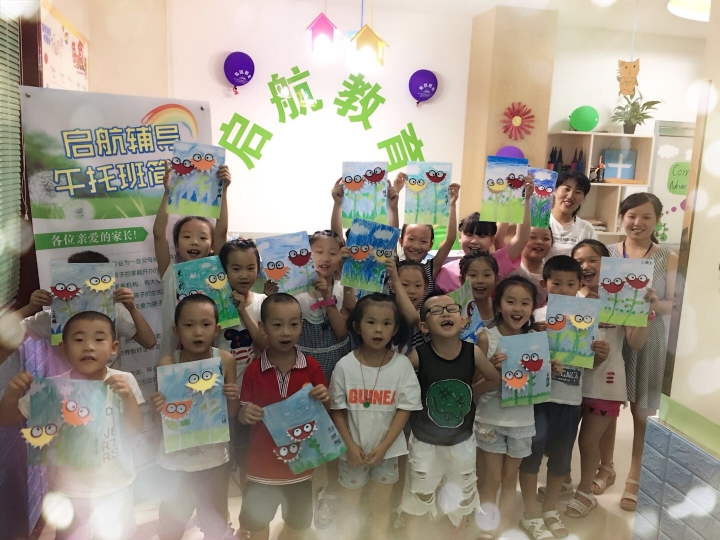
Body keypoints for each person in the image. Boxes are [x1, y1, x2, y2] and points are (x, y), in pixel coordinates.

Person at [0, 311, 144, 540]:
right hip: (68, 490)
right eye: (78, 339)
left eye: (99, 339)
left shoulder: (123, 382)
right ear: (63, 349)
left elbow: (135, 428)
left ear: (114, 347)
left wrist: (127, 398)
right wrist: (11, 393)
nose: (88, 347)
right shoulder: (52, 389)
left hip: (115, 485)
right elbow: (7, 418)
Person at [517, 257, 609, 538]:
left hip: (569, 400)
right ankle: (530, 510)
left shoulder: (588, 317)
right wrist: (533, 336)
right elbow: (520, 358)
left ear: (580, 284)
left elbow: (589, 364)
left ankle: (549, 508)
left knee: (561, 457)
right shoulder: (536, 316)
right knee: (531, 454)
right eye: (556, 283)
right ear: (544, 284)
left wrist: (599, 356)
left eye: (570, 284)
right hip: (537, 399)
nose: (564, 289)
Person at [400, 293, 500, 539]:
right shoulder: (418, 355)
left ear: (463, 320)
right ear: (424, 326)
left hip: (461, 441)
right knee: (419, 493)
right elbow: (398, 379)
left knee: (461, 495)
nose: (445, 313)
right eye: (436, 311)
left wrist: (469, 394)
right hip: (425, 441)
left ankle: (457, 532)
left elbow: (494, 378)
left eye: (451, 309)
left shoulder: (472, 352)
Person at [566, 240, 651, 519]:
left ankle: (585, 493)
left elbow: (635, 343)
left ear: (608, 264)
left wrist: (643, 311)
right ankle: (563, 480)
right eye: (579, 261)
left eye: (593, 259)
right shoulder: (567, 297)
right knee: (564, 437)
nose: (586, 266)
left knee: (588, 441)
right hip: (569, 382)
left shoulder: (621, 298)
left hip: (607, 383)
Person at [237, 293, 329, 540]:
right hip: (261, 467)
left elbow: (325, 412)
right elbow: (243, 413)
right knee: (257, 525)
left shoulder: (311, 367)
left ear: (301, 325)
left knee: (297, 525)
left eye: (293, 324)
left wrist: (324, 396)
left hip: (300, 467)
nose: (286, 332)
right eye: (277, 325)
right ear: (263, 328)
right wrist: (245, 413)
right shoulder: (253, 371)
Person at [606, 193, 677, 511]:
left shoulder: (667, 258)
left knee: (642, 412)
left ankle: (635, 475)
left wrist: (654, 303)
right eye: (632, 215)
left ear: (657, 221)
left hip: (649, 337)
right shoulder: (609, 253)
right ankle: (605, 466)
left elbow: (675, 304)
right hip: (613, 336)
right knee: (606, 408)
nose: (638, 222)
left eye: (646, 216)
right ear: (622, 217)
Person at [330, 293, 421, 539]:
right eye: (371, 322)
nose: (378, 329)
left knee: (380, 508)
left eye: (386, 323)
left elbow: (405, 410)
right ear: (357, 326)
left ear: (395, 329)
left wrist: (383, 447)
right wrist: (350, 446)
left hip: (387, 453)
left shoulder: (402, 366)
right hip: (352, 453)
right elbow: (337, 411)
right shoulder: (345, 366)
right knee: (348, 508)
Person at [150, 295, 238, 540]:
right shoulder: (168, 364)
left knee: (215, 523)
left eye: (205, 324)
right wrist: (156, 408)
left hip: (215, 458)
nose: (197, 332)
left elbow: (231, 413)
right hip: (175, 462)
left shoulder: (225, 361)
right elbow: (159, 423)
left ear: (216, 329)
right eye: (189, 325)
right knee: (171, 526)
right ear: (176, 330)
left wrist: (232, 397)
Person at [0, 250, 156, 373]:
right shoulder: (55, 318)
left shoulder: (114, 312)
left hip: (109, 389)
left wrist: (132, 308)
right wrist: (30, 307)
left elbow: (149, 342)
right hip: (66, 392)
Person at [474, 276, 541, 538]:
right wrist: (492, 368)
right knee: (491, 479)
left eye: (525, 302)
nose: (518, 308)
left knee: (510, 479)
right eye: (511, 301)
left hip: (522, 422)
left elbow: (540, 381)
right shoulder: (486, 338)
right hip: (491, 419)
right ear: (499, 305)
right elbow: (473, 387)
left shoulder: (536, 340)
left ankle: (504, 529)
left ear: (533, 307)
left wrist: (551, 370)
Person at [153, 160, 231, 357]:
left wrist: (223, 191)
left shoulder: (216, 270)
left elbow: (221, 232)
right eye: (187, 237)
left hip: (211, 358)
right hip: (174, 360)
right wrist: (168, 193)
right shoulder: (170, 273)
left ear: (212, 246)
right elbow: (159, 235)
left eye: (203, 238)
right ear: (177, 245)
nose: (194, 242)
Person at [435, 174, 534, 292]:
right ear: (460, 236)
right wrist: (452, 204)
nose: (474, 241)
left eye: (482, 236)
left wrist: (524, 199)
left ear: (492, 240)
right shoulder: (446, 272)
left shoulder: (498, 261)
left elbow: (522, 238)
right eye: (469, 235)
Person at [397, 182, 460, 302]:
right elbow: (391, 232)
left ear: (430, 245)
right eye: (411, 239)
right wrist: (394, 201)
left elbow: (450, 240)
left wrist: (452, 204)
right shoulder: (394, 266)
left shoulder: (431, 268)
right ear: (400, 240)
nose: (416, 246)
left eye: (423, 241)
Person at [217, 238, 268, 383]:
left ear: (258, 268)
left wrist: (243, 311)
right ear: (224, 270)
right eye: (236, 269)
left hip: (256, 386)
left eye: (250, 268)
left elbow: (266, 347)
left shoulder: (263, 302)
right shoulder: (214, 306)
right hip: (223, 386)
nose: (244, 275)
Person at [546, 171, 597, 259]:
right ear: (555, 190)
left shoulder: (587, 229)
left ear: (583, 198)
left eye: (578, 192)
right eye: (567, 189)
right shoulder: (540, 222)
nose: (570, 196)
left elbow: (594, 259)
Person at [512, 227, 554, 307]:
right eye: (532, 237)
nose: (539, 242)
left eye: (546, 238)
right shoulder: (509, 268)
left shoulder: (551, 276)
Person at [459, 250, 500, 329]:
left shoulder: (502, 309)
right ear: (462, 280)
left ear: (496, 279)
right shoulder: (454, 310)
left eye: (487, 275)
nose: (480, 280)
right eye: (473, 275)